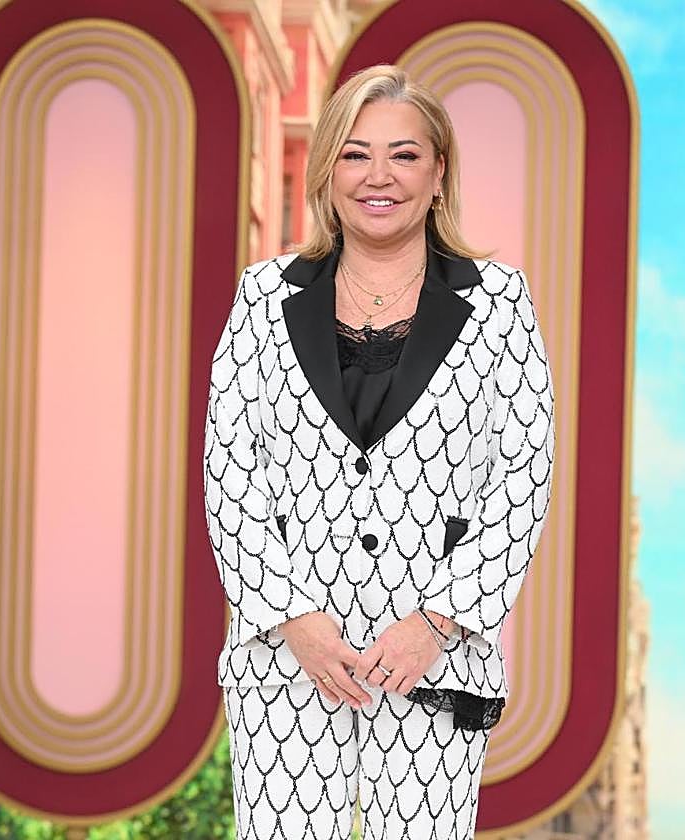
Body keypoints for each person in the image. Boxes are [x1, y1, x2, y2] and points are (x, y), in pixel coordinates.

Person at [203, 64, 554, 840]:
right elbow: (230, 473)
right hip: (286, 661)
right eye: (356, 154)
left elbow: (522, 479)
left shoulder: (500, 302)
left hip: (436, 660)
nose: (379, 176)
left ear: (438, 173)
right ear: (328, 171)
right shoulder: (262, 297)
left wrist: (437, 622)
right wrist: (293, 619)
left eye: (404, 155)